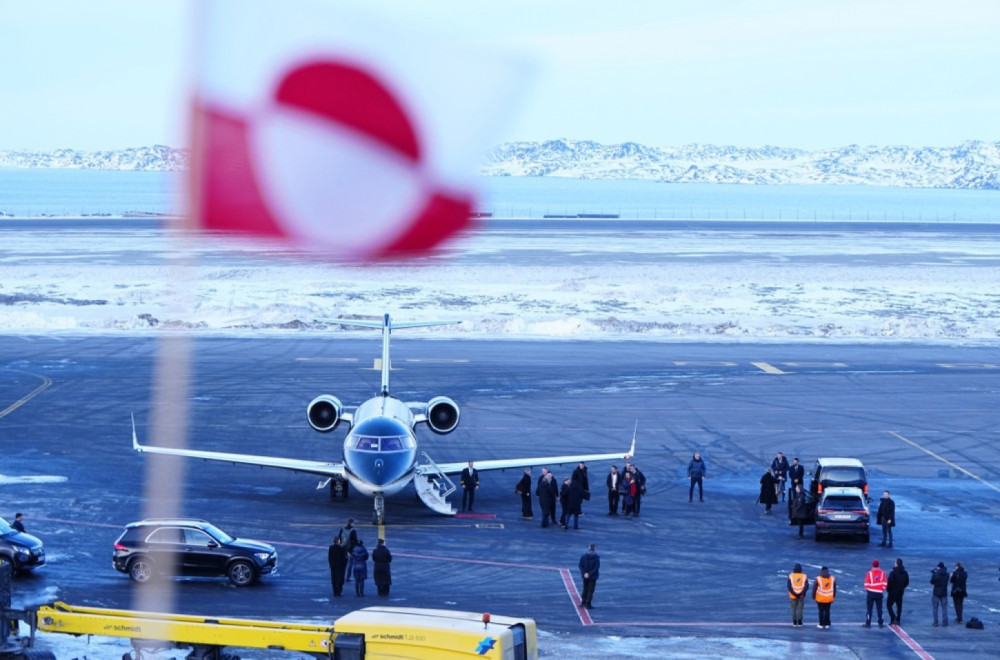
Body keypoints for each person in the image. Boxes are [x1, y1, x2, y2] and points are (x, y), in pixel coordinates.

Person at [863, 559, 887, 628]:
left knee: (869, 609)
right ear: (878, 565)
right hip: (879, 594)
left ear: (872, 565)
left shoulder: (869, 573)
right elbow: (885, 583)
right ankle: (880, 623)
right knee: (879, 609)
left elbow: (866, 584)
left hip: (871, 593)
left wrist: (869, 590)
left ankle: (868, 623)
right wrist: (881, 589)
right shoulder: (883, 573)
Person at [887, 558, 910, 626]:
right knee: (899, 606)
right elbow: (907, 582)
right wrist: (902, 587)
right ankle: (898, 619)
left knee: (889, 605)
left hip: (893, 592)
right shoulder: (905, 572)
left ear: (897, 564)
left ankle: (893, 617)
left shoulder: (893, 573)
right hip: (900, 591)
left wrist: (889, 590)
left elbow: (889, 582)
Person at [578, 543, 600, 609]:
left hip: (585, 576)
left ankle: (583, 602)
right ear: (595, 549)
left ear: (589, 548)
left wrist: (585, 573)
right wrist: (590, 574)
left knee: (585, 589)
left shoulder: (584, 556)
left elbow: (580, 565)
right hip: (592, 577)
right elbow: (596, 568)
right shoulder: (596, 558)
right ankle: (588, 604)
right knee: (591, 590)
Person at [339, 518, 359, 582]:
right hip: (350, 549)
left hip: (342, 548)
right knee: (350, 563)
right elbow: (356, 540)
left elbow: (339, 537)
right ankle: (348, 577)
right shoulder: (353, 530)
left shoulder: (342, 529)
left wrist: (341, 544)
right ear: (352, 523)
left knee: (343, 563)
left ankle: (340, 576)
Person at [930, 561, 949, 626]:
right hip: (944, 593)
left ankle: (935, 622)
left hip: (936, 593)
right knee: (944, 608)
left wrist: (933, 573)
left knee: (935, 608)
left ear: (939, 567)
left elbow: (932, 582)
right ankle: (945, 622)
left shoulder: (936, 574)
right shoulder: (947, 574)